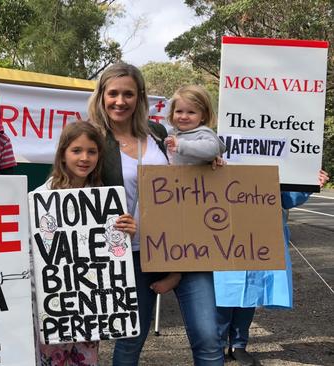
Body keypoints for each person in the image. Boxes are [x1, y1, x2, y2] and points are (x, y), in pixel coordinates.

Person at [87, 62, 224, 366]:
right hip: (133, 254)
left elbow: (191, 168)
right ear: (101, 96)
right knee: (130, 340)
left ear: (140, 97)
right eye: (113, 93)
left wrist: (213, 163)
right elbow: (73, 184)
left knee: (208, 338)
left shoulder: (160, 133)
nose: (120, 101)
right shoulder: (93, 139)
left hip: (187, 248)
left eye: (128, 94)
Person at [214, 169, 329, 366]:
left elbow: (287, 198)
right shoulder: (222, 149)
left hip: (261, 234)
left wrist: (308, 183)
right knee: (223, 287)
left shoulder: (278, 159)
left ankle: (239, 345)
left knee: (251, 288)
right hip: (225, 229)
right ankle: (216, 345)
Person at [33, 121, 120, 365]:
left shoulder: (104, 198)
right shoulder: (42, 198)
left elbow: (114, 251)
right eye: (76, 150)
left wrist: (125, 232)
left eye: (92, 151)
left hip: (89, 304)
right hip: (53, 302)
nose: (84, 158)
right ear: (63, 154)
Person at [150, 85, 227, 294]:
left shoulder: (204, 133)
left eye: (191, 112)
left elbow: (213, 148)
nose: (184, 116)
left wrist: (182, 146)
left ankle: (176, 273)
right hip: (173, 195)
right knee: (170, 232)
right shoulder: (171, 133)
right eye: (179, 111)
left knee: (188, 235)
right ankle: (168, 267)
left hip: (196, 196)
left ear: (203, 116)